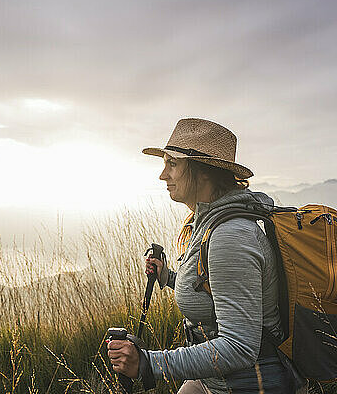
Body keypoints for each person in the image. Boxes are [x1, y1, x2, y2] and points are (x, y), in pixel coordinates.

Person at [107, 118, 307, 393]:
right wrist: (168, 277)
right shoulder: (208, 224)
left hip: (250, 385)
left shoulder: (230, 236)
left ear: (203, 171)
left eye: (173, 164)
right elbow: (219, 290)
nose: (162, 175)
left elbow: (238, 347)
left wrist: (148, 363)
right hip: (216, 381)